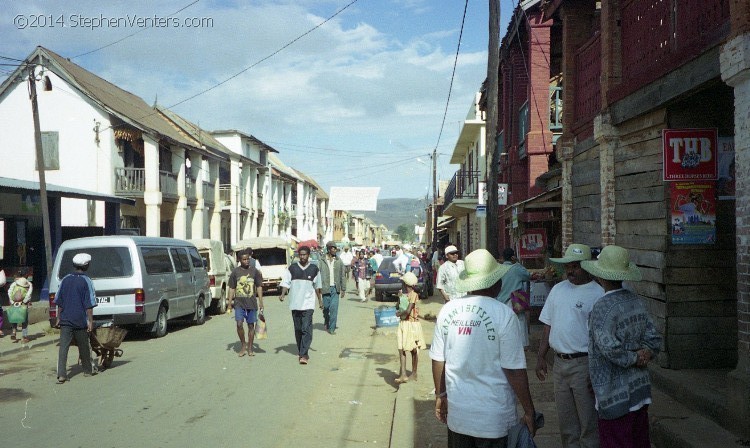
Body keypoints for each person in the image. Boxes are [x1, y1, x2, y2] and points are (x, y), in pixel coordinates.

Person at [430, 249, 537, 446]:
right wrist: (529, 410)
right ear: (496, 282)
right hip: (494, 418)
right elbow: (514, 369)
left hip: (459, 416)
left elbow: (438, 359)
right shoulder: (504, 315)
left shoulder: (448, 310)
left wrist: (441, 395)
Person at [581, 245, 662, 448]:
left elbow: (609, 349)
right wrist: (645, 354)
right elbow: (653, 338)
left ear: (601, 277)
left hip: (614, 395)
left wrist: (634, 358)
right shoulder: (635, 301)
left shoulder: (601, 308)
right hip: (639, 389)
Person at [536, 243, 604, 448]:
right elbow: (548, 324)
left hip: (584, 364)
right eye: (568, 266)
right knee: (566, 423)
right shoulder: (558, 289)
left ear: (587, 267)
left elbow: (601, 337)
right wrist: (540, 356)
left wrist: (596, 369)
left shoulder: (597, 293)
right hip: (560, 363)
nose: (570, 271)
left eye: (575, 266)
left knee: (588, 423)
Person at [55, 253, 97, 383]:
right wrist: (90, 321)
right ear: (86, 266)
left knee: (64, 347)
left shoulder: (65, 279)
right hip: (79, 320)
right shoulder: (87, 281)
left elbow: (59, 301)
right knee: (84, 345)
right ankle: (87, 370)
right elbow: (89, 304)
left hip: (65, 319)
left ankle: (62, 374)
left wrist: (58, 318)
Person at [279, 246, 322, 365]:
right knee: (298, 329)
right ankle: (301, 349)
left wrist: (320, 301)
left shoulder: (314, 269)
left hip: (308, 304)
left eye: (305, 254)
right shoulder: (292, 268)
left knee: (306, 329)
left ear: (309, 255)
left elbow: (318, 286)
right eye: (300, 254)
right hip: (295, 303)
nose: (302, 257)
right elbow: (286, 282)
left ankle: (304, 354)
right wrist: (283, 294)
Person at [228, 249, 264, 357]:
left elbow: (259, 287)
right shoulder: (235, 272)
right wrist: (230, 303)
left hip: (251, 303)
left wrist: (261, 302)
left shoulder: (254, 271)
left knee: (251, 326)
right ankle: (243, 345)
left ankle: (250, 347)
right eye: (244, 259)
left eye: (248, 259)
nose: (246, 261)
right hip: (239, 303)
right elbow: (231, 288)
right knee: (239, 324)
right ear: (239, 260)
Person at [496, 248, 532, 348]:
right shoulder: (516, 268)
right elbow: (527, 275)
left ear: (503, 257)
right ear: (513, 257)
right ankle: (521, 347)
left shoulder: (498, 269)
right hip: (516, 302)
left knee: (504, 327)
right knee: (519, 324)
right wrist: (518, 263)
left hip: (501, 302)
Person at [395, 272, 426, 384]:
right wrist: (399, 298)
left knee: (413, 350)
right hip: (404, 323)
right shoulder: (404, 295)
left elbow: (408, 311)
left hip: (411, 324)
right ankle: (403, 374)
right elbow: (397, 306)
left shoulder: (413, 295)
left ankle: (414, 373)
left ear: (406, 284)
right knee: (401, 348)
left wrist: (399, 313)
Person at [319, 241, 346, 335]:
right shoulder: (322, 260)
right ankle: (326, 320)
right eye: (333, 248)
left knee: (334, 309)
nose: (334, 250)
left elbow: (343, 275)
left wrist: (343, 289)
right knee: (326, 308)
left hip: (335, 288)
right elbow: (318, 275)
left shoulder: (339, 261)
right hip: (325, 287)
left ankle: (332, 328)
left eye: (335, 248)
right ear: (328, 249)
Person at [7, 275, 33, 343]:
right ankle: (24, 337)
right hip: (23, 304)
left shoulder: (14, 283)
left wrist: (12, 302)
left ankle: (14, 331)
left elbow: (9, 292)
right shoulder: (29, 284)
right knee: (24, 320)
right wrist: (24, 302)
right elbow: (28, 295)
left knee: (14, 317)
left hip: (14, 303)